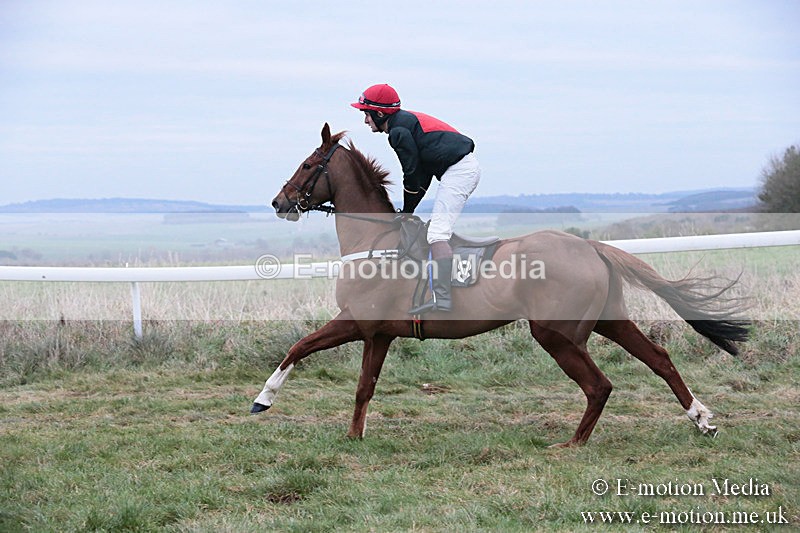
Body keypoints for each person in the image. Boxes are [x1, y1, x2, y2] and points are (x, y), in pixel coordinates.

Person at [351, 83, 480, 314]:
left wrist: (407, 211)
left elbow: (411, 176)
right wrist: (408, 210)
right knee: (436, 231)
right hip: (459, 169)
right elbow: (421, 176)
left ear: (379, 113)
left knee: (437, 234)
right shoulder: (403, 124)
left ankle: (443, 301)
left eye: (366, 114)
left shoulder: (398, 133)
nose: (365, 120)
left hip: (459, 171)